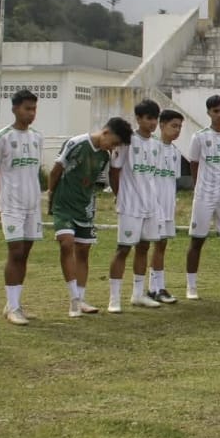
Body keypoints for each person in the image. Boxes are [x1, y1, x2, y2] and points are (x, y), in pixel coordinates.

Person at [49, 119, 132, 318]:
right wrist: (51, 195)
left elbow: (94, 182)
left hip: (85, 207)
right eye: (113, 143)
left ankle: (82, 297)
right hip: (64, 205)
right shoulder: (76, 143)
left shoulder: (104, 156)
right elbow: (56, 170)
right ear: (105, 132)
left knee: (83, 251)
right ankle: (74, 299)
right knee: (66, 243)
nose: (112, 148)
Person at [0, 89, 44, 326]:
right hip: (11, 204)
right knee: (16, 252)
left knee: (26, 253)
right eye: (26, 108)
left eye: (33, 109)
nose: (31, 113)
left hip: (33, 204)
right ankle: (12, 307)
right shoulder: (2, 137)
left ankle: (15, 303)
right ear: (14, 109)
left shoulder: (37, 137)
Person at [108, 99, 162, 312]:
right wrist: (119, 195)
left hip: (150, 204)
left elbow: (152, 177)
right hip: (130, 204)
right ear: (138, 119)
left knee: (144, 247)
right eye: (148, 118)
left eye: (155, 119)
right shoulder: (127, 142)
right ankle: (114, 299)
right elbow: (114, 171)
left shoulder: (157, 145)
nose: (152, 123)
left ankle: (138, 294)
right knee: (123, 249)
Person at [185, 95, 220, 300]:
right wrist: (199, 188)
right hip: (205, 195)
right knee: (197, 241)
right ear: (209, 113)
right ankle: (191, 286)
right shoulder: (199, 137)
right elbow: (194, 164)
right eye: (216, 111)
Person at [147, 109, 184, 304]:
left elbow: (172, 181)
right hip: (152, 205)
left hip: (168, 205)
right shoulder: (151, 147)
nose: (177, 130)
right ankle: (152, 288)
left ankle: (158, 287)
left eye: (179, 127)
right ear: (162, 125)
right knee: (148, 245)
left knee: (162, 245)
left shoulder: (176, 153)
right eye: (173, 125)